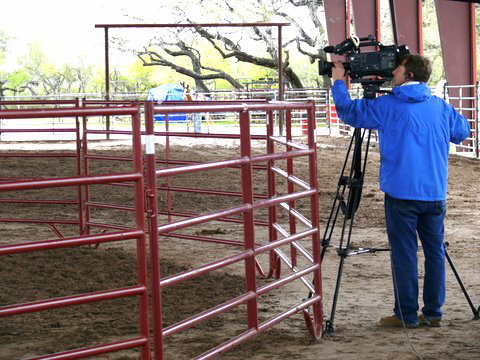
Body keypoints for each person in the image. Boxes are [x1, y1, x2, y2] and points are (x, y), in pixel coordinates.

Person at [330, 54, 471, 328]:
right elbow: (462, 132)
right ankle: (433, 313)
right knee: (434, 252)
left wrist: (338, 82)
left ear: (407, 75)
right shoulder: (440, 107)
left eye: (398, 67)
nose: (392, 71)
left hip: (401, 194)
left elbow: (349, 112)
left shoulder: (388, 105)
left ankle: (406, 315)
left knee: (405, 253)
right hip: (434, 193)